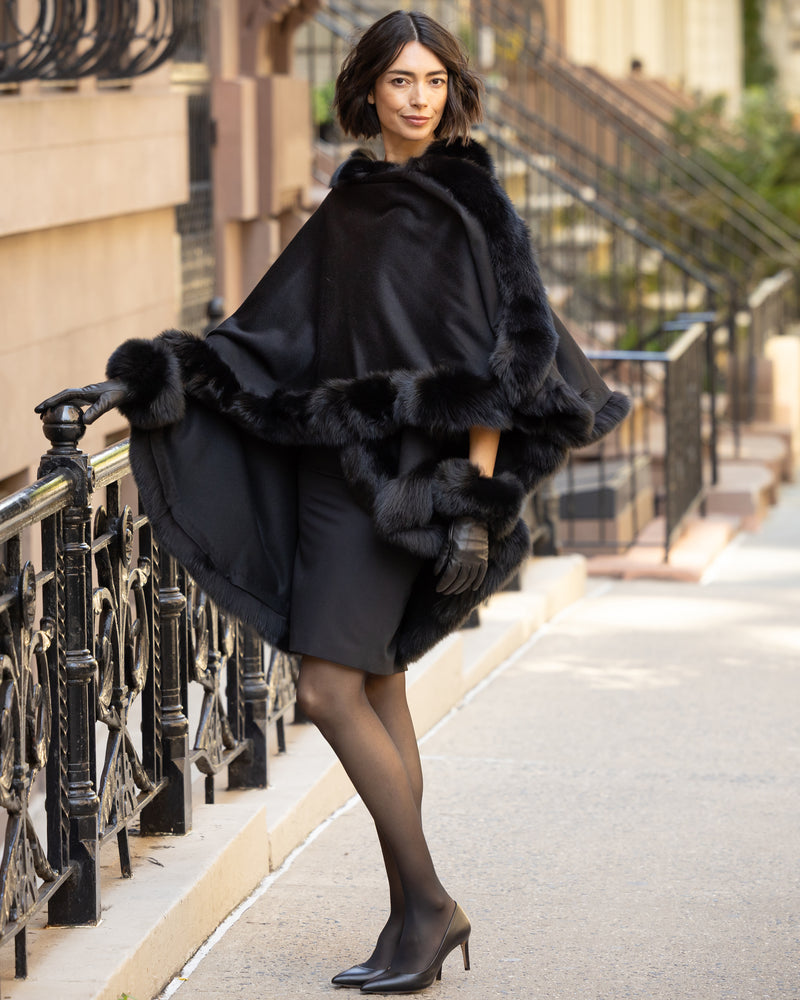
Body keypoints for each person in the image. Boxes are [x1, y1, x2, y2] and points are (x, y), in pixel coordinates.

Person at [36, 10, 629, 993]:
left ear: (451, 91)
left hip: (398, 492)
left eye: (431, 80)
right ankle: (410, 920)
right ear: (366, 91)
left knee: (324, 689)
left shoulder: (470, 205)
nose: (415, 96)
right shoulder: (349, 204)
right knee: (377, 684)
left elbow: (510, 362)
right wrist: (134, 383)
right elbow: (261, 334)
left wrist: (474, 502)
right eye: (398, 80)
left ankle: (430, 905)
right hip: (326, 478)